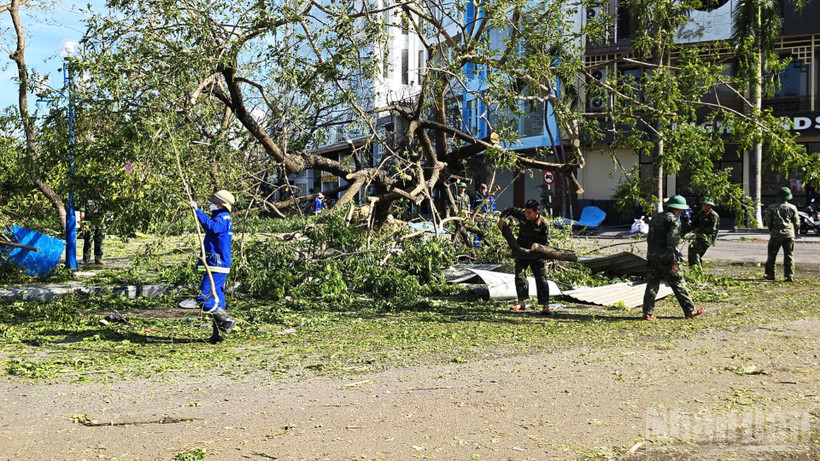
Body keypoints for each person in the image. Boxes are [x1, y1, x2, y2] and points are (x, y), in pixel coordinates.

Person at [642, 195, 704, 320]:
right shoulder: (674, 221)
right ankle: (690, 310)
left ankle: (647, 312)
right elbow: (672, 242)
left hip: (653, 256)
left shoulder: (656, 218)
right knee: (678, 283)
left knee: (652, 284)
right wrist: (674, 262)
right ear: (678, 208)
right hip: (667, 257)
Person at [189, 190, 237, 344]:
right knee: (218, 301)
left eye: (214, 201)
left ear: (220, 204)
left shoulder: (222, 219)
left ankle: (227, 320)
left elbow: (210, 227)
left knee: (203, 297)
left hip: (217, 264)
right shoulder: (221, 217)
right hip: (215, 263)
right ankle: (218, 335)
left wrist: (197, 211)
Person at [498, 199, 551, 314]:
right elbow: (509, 210)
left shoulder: (543, 224)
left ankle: (545, 305)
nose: (526, 215)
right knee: (519, 276)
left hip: (536, 254)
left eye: (529, 213)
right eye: (526, 212)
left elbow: (546, 242)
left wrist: (545, 254)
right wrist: (502, 219)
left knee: (542, 279)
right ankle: (521, 302)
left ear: (537, 212)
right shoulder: (522, 214)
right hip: (521, 251)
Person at [764, 186, 799, 282]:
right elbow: (796, 221)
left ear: (778, 196)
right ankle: (789, 275)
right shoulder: (792, 207)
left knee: (772, 255)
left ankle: (771, 274)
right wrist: (796, 230)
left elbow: (768, 221)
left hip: (776, 234)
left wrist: (772, 230)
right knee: (789, 255)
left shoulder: (771, 207)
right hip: (789, 234)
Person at [683, 197, 720, 268]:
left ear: (710, 206)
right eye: (703, 204)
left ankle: (696, 269)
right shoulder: (701, 213)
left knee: (695, 251)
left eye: (706, 205)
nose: (704, 206)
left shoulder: (713, 215)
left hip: (708, 238)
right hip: (699, 236)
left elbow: (711, 229)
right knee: (692, 250)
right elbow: (694, 223)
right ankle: (695, 269)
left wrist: (698, 230)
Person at [79, 185, 107, 266]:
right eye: (95, 187)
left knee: (99, 241)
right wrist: (82, 222)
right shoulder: (86, 198)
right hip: (89, 223)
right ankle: (86, 260)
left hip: (100, 224)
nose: (97, 189)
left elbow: (104, 212)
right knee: (88, 241)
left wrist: (105, 223)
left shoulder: (102, 199)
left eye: (99, 187)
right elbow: (82, 210)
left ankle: (98, 259)